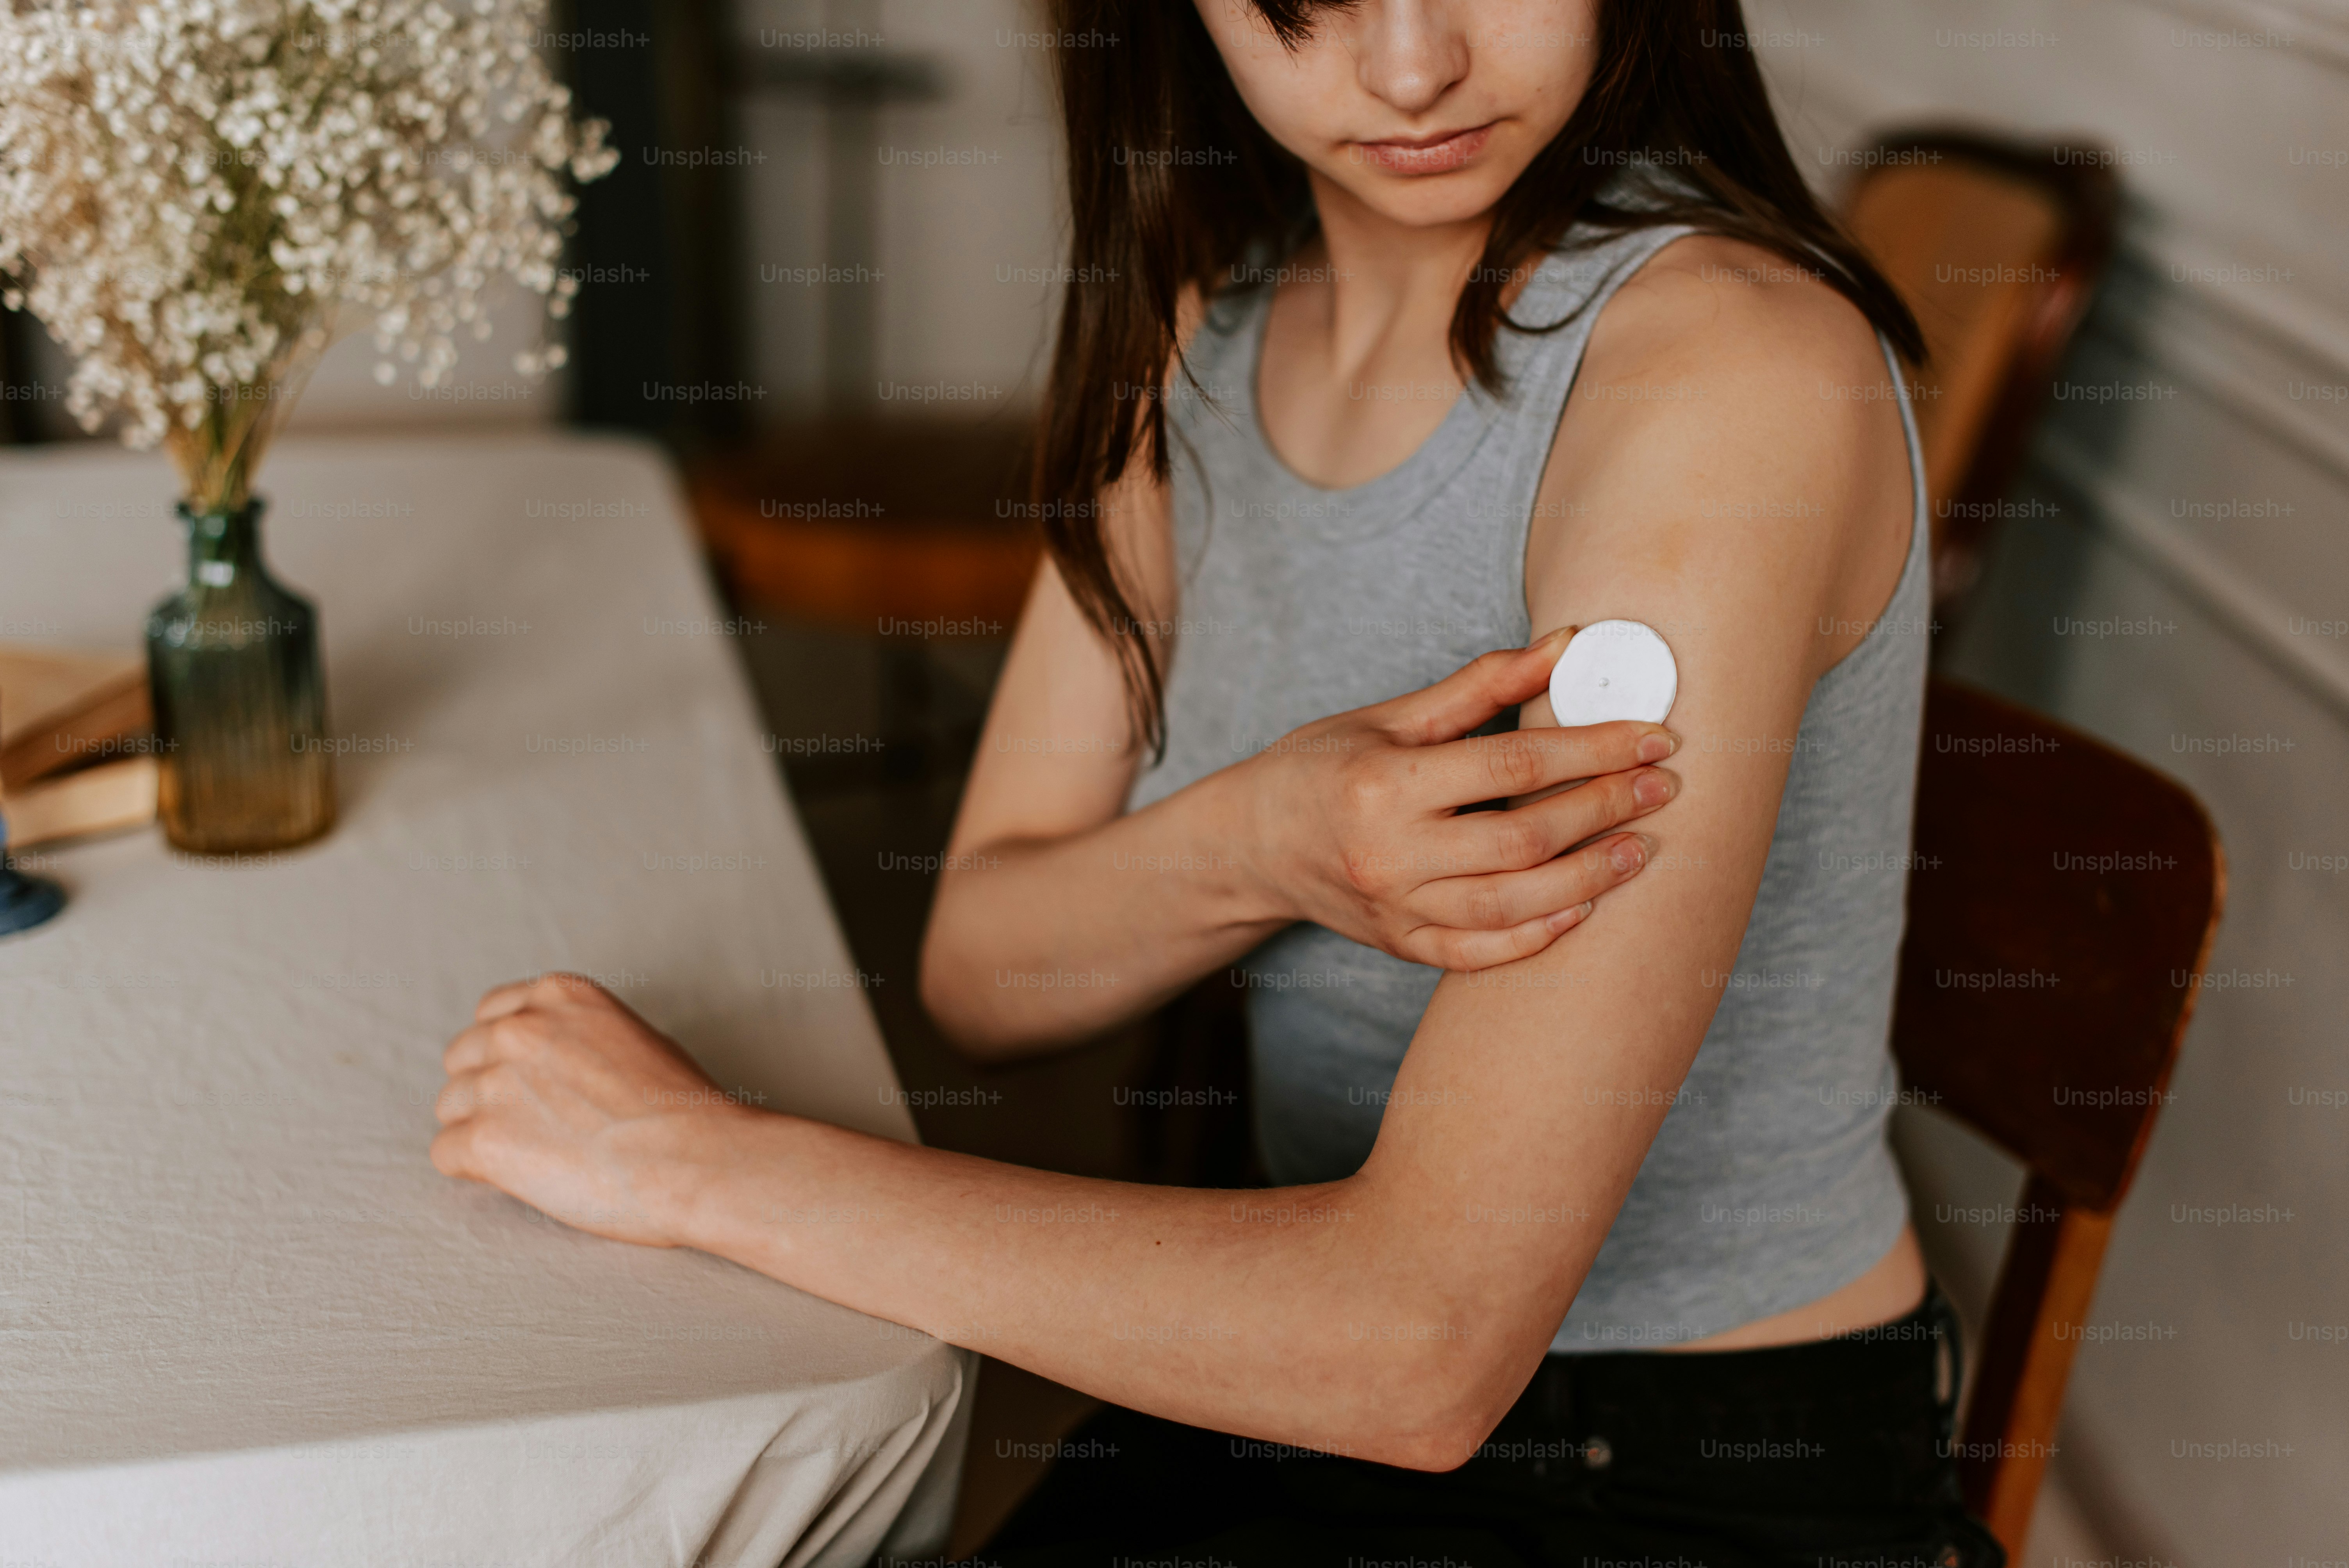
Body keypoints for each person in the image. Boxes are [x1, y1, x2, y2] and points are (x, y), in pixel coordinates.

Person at [428, 2, 2001, 1562]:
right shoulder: (1207, 323)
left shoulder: (1729, 371)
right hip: (1279, 1373)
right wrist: (1271, 836)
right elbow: (987, 962)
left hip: (1674, 1469)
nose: (1408, 67)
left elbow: (1420, 1345)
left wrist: (691, 1158)